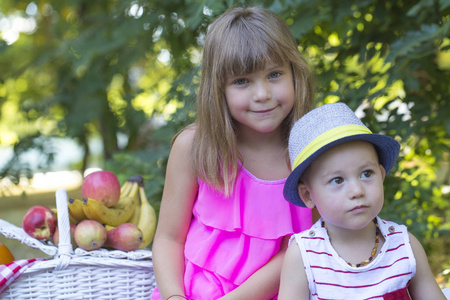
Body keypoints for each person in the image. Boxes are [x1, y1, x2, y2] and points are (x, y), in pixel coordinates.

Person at [150, 5, 315, 300]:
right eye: (242, 81)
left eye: (274, 74)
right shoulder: (194, 148)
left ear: (295, 74)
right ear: (218, 89)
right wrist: (174, 297)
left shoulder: (311, 153)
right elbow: (168, 238)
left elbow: (300, 251)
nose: (262, 94)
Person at [279, 102, 446, 299]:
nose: (357, 191)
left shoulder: (404, 245)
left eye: (367, 174)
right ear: (308, 195)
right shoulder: (304, 256)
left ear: (381, 175)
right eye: (337, 180)